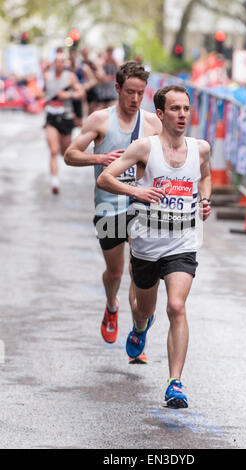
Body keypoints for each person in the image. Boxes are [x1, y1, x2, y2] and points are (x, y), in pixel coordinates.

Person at [97, 85, 212, 408]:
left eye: (186, 109)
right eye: (175, 109)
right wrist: (137, 193)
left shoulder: (200, 148)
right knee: (144, 309)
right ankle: (139, 327)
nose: (182, 115)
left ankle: (175, 383)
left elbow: (205, 176)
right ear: (160, 114)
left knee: (176, 306)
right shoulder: (143, 148)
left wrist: (205, 199)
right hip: (147, 244)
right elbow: (105, 178)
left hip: (183, 240)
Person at [64, 61, 162, 363]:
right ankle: (111, 304)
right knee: (116, 272)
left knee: (139, 271)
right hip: (108, 205)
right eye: (129, 92)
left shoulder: (152, 124)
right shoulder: (100, 120)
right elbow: (70, 154)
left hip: (141, 205)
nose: (135, 99)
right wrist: (100, 157)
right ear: (117, 89)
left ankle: (138, 329)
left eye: (140, 93)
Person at [44, 52, 84, 194]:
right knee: (53, 151)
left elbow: (81, 92)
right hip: (51, 117)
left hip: (66, 117)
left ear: (64, 63)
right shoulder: (47, 76)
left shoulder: (70, 77)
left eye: (62, 61)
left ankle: (61, 155)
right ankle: (55, 181)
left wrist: (69, 95)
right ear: (53, 63)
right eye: (56, 61)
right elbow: (42, 92)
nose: (59, 64)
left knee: (63, 152)